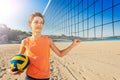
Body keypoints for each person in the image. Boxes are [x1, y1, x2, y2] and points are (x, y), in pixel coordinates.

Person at [8, 12, 80, 80]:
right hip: (30, 77)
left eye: (41, 23)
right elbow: (18, 59)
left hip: (45, 77)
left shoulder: (48, 40)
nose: (39, 24)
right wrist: (11, 69)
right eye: (36, 22)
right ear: (30, 24)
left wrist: (73, 45)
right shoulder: (25, 41)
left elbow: (60, 54)